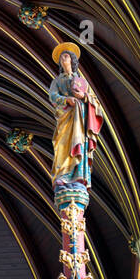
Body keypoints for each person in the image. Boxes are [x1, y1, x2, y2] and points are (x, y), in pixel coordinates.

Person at [48, 41, 103, 189]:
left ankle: (79, 174)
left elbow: (95, 102)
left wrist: (83, 96)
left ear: (72, 60)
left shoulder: (81, 81)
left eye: (66, 56)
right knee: (62, 145)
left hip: (81, 117)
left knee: (80, 144)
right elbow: (52, 96)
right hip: (65, 116)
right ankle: (63, 174)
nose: (63, 59)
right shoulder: (57, 81)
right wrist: (66, 99)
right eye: (61, 58)